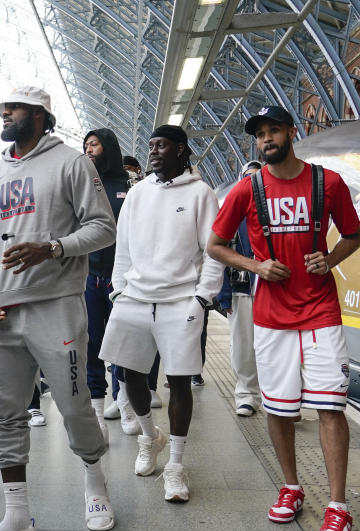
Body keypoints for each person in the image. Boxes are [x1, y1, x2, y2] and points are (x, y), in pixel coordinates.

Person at [0, 86, 118, 531]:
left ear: (40, 115)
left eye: (14, 108)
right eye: (3, 106)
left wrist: (52, 247)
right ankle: (15, 520)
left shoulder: (71, 162)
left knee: (72, 404)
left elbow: (103, 226)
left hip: (56, 304)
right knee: (6, 414)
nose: (3, 113)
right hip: (3, 311)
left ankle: (95, 484)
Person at [207, 105, 360, 531]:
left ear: (292, 132)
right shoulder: (247, 189)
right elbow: (215, 245)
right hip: (271, 317)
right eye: (259, 135)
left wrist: (329, 258)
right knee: (278, 408)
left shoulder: (327, 183)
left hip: (320, 312)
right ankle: (291, 487)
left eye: (273, 131)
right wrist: (256, 265)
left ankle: (338, 508)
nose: (266, 140)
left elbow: (353, 236)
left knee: (331, 406)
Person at [99, 124, 223, 502]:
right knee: (127, 374)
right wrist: (118, 290)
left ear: (181, 150)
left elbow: (213, 251)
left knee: (180, 382)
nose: (154, 152)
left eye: (162, 146)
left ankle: (176, 466)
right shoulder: (137, 194)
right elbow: (123, 247)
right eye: (151, 145)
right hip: (133, 298)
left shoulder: (201, 194)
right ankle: (149, 437)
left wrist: (202, 299)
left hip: (180, 301)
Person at [82, 128, 130, 444]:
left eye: (94, 144)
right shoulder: (81, 186)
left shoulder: (127, 189)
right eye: (85, 145)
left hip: (119, 279)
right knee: (92, 345)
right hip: (87, 278)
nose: (88, 150)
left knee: (123, 343)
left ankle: (124, 402)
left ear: (108, 148)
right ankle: (97, 413)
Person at [214, 161, 262, 418]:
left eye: (256, 177)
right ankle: (246, 395)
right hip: (242, 288)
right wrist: (223, 294)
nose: (252, 183)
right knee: (243, 345)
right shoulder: (233, 212)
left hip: (272, 291)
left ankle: (279, 397)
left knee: (275, 346)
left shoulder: (272, 209)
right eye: (247, 178)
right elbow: (220, 253)